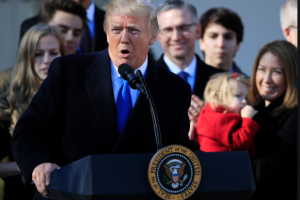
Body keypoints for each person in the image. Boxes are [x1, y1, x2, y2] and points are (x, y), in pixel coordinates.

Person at [11, 0, 198, 199]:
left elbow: (177, 150)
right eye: (116, 29)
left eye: (134, 30)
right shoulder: (68, 71)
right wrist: (39, 163)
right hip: (70, 193)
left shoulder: (175, 89)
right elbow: (28, 129)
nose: (124, 39)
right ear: (106, 33)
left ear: (153, 36)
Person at [0, 23, 65, 200]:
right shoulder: (7, 104)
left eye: (53, 53)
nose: (46, 60)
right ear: (26, 58)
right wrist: (30, 163)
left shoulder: (73, 98)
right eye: (38, 54)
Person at [248, 40, 297, 200]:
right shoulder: (253, 109)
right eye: (262, 70)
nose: (267, 79)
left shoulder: (294, 115)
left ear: (292, 75)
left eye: (276, 72)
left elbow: (266, 168)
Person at [194, 72, 259, 153]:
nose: (244, 101)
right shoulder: (219, 119)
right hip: (223, 164)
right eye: (238, 96)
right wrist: (247, 119)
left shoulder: (209, 113)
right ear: (218, 97)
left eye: (245, 97)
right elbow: (240, 141)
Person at [199, 7, 247, 76]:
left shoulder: (250, 86)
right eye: (213, 36)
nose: (220, 44)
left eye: (228, 37)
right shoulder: (186, 85)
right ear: (201, 42)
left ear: (238, 44)